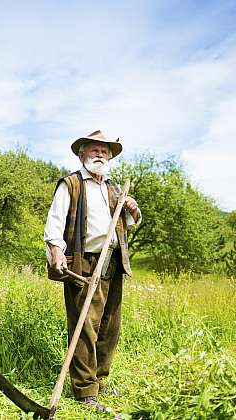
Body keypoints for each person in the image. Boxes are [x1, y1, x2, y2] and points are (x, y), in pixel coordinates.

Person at [44, 130, 141, 413]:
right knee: (86, 325)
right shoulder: (71, 185)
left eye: (104, 152)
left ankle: (99, 380)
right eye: (95, 151)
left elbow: (130, 221)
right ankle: (85, 390)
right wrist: (57, 251)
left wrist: (132, 208)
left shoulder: (112, 189)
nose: (100, 155)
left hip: (112, 261)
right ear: (81, 154)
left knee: (109, 326)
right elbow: (54, 223)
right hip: (84, 262)